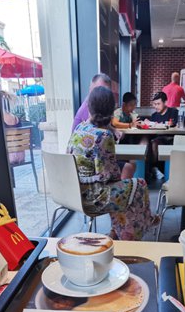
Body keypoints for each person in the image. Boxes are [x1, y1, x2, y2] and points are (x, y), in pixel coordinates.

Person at [67, 87, 160, 240]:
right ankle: (135, 231)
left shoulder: (79, 128)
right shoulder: (104, 135)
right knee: (139, 185)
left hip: (75, 192)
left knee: (127, 190)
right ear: (111, 110)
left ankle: (122, 230)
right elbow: (111, 175)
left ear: (89, 107)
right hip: (94, 198)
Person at [148, 91, 178, 180]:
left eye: (158, 104)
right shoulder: (154, 115)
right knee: (153, 143)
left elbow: (177, 125)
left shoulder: (173, 112)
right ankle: (155, 168)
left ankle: (160, 170)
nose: (156, 106)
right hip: (158, 138)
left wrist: (172, 124)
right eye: (154, 104)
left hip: (172, 137)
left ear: (165, 102)